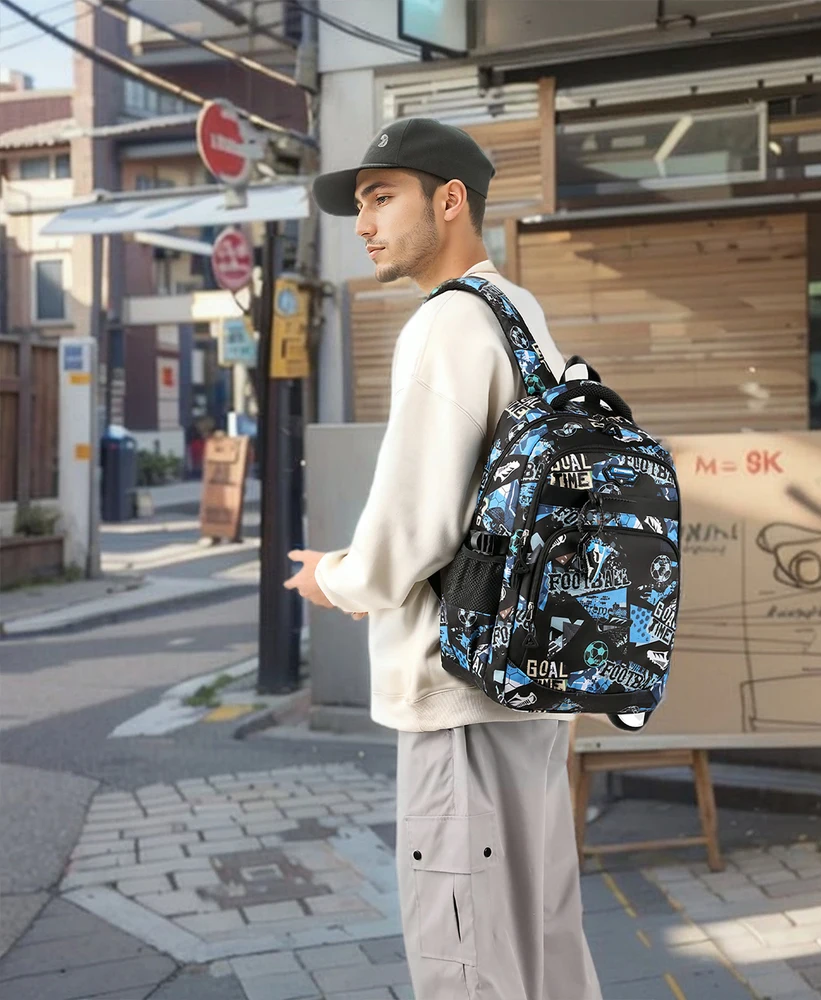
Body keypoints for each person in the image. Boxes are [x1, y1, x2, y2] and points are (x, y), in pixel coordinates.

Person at [283, 118, 603, 1000]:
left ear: (450, 199)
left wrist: (337, 578)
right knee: (545, 951)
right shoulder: (517, 310)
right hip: (532, 684)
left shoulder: (445, 325)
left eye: (382, 196)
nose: (364, 222)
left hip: (458, 695)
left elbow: (412, 531)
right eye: (360, 204)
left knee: (468, 966)